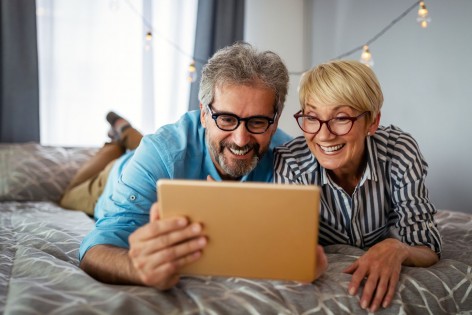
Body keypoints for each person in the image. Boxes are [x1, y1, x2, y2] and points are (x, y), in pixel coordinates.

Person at [70, 42, 327, 290]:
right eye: (226, 119)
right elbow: (96, 246)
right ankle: (116, 142)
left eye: (258, 122)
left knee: (141, 143)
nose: (241, 139)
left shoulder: (289, 158)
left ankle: (126, 133)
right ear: (204, 114)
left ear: (275, 120)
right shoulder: (159, 152)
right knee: (69, 193)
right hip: (111, 176)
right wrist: (135, 268)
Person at [273, 60, 441, 312]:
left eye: (341, 118)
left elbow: (427, 247)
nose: (324, 135)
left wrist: (398, 248)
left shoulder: (399, 152)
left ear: (372, 122)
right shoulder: (290, 162)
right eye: (311, 117)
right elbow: (290, 248)